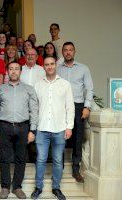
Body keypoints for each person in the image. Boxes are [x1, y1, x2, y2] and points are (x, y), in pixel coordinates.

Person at [31, 56, 75, 200]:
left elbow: (70, 107)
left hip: (60, 129)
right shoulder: (37, 85)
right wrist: (34, 128)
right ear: (43, 66)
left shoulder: (65, 84)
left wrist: (69, 127)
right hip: (42, 129)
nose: (49, 67)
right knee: (41, 159)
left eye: (52, 64)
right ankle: (38, 187)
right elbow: (34, 108)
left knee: (57, 160)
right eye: (46, 64)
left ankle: (56, 188)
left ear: (55, 65)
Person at [0, 61, 38, 199]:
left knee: (21, 158)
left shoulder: (29, 89)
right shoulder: (0, 89)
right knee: (5, 158)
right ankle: (5, 187)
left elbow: (34, 110)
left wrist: (32, 130)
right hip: (4, 126)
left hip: (23, 127)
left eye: (16, 69)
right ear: (7, 71)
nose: (13, 71)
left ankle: (17, 187)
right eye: (11, 69)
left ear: (20, 71)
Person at [57, 42, 94, 183]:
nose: (68, 52)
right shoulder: (58, 69)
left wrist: (87, 106)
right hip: (61, 107)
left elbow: (89, 89)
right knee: (60, 136)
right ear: (62, 52)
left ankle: (75, 169)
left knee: (78, 138)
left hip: (78, 106)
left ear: (74, 52)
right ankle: (58, 168)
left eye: (70, 50)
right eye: (65, 50)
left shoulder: (83, 69)